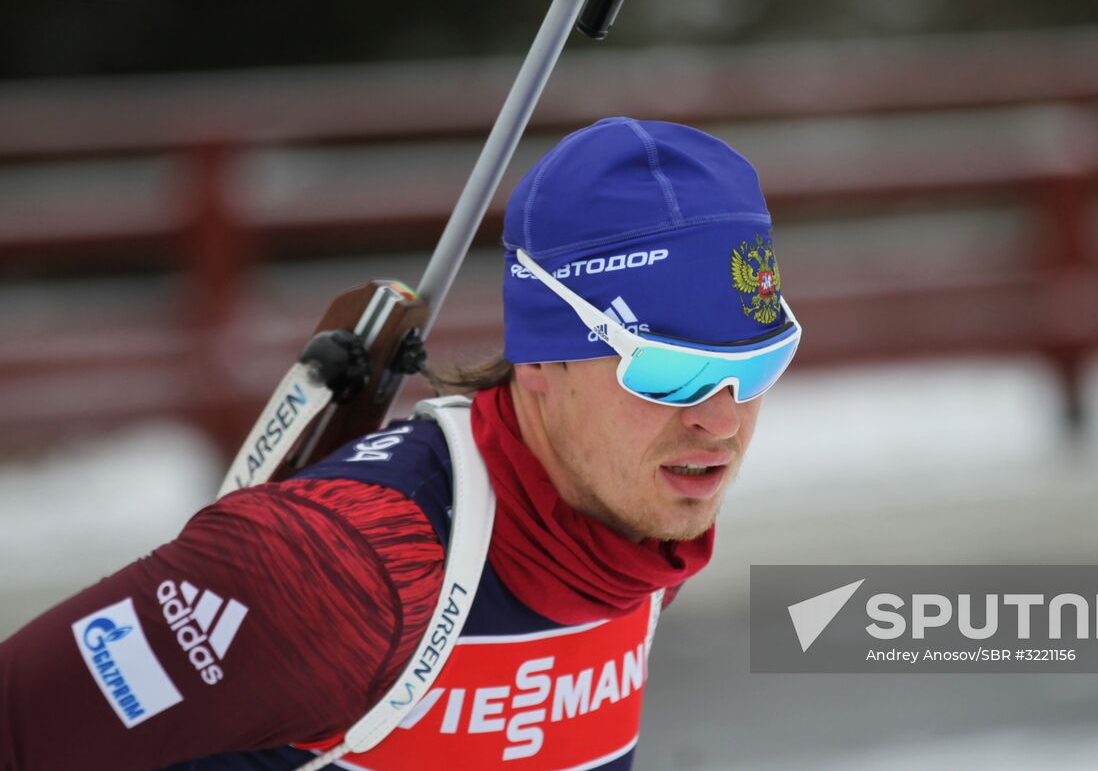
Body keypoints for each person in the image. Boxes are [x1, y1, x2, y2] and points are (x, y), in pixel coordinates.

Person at [0, 116, 801, 770]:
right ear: (539, 358)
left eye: (759, 363)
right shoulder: (343, 567)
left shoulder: (638, 518)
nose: (722, 421)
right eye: (668, 373)